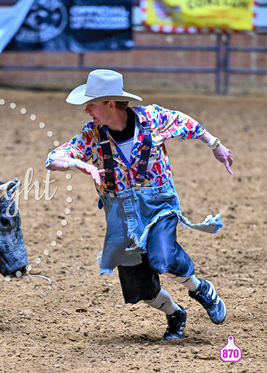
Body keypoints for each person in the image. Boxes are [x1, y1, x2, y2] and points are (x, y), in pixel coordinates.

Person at [46, 69, 233, 340]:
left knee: (163, 257)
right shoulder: (91, 135)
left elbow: (185, 123)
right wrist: (79, 163)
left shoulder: (152, 118)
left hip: (158, 206)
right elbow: (54, 158)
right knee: (140, 288)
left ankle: (200, 288)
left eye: (92, 103)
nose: (87, 110)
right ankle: (175, 313)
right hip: (121, 215)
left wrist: (215, 145)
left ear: (111, 104)